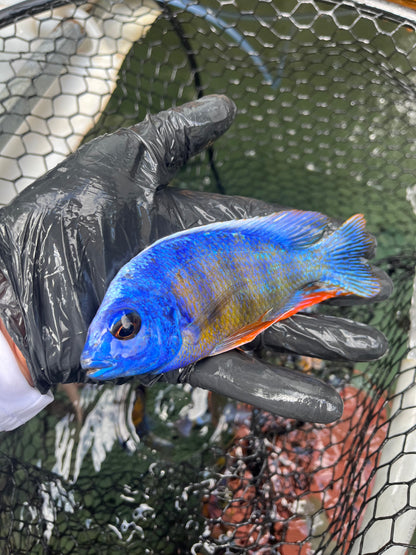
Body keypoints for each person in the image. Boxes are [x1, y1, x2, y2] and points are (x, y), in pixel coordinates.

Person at [0, 95, 391, 432]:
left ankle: (328, 259)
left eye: (125, 328)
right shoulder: (118, 320)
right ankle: (326, 263)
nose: (90, 356)